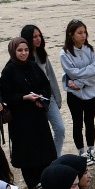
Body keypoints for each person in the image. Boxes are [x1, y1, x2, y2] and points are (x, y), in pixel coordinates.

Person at [0, 35, 58, 189]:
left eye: (25, 50)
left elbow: (45, 84)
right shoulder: (9, 70)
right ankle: (32, 182)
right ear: (13, 51)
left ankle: (45, 178)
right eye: (20, 50)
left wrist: (40, 98)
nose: (24, 53)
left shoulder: (32, 65)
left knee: (43, 147)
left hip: (37, 113)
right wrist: (24, 97)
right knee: (27, 150)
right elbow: (6, 95)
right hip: (21, 118)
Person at [58, 18, 95, 163]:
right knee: (77, 123)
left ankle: (91, 149)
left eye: (85, 32)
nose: (83, 36)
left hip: (91, 92)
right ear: (71, 34)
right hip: (75, 95)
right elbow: (72, 73)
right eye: (79, 33)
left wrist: (80, 83)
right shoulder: (64, 53)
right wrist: (85, 75)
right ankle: (81, 153)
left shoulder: (90, 49)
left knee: (90, 121)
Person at [20, 23, 67, 158]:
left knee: (60, 129)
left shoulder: (42, 55)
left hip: (48, 98)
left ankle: (55, 158)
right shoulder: (23, 58)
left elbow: (51, 77)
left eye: (39, 35)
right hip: (33, 102)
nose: (38, 39)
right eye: (34, 36)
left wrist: (57, 98)